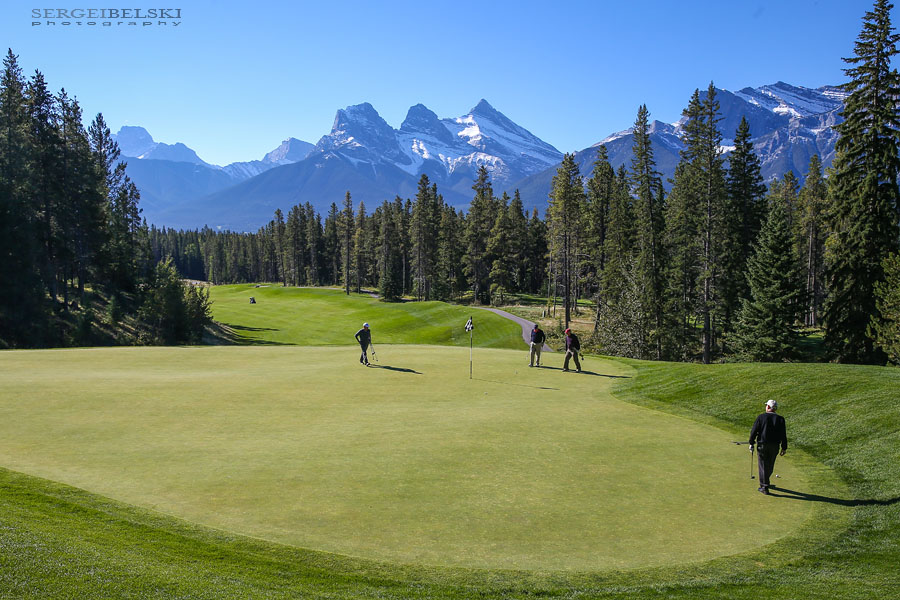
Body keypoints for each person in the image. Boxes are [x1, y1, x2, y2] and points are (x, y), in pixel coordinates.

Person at [749, 399, 787, 495]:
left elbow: (754, 431)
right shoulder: (780, 419)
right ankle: (766, 482)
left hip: (763, 445)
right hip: (775, 446)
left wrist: (751, 442)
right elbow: (783, 434)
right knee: (770, 465)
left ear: (768, 407)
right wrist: (784, 447)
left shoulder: (761, 417)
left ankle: (764, 486)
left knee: (763, 465)